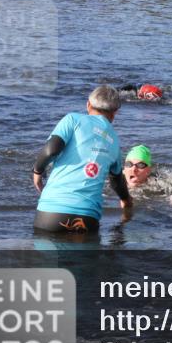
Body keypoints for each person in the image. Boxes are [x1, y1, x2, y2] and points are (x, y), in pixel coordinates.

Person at [32, 85, 132, 233]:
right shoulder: (115, 141)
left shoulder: (72, 120)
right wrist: (126, 200)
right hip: (87, 218)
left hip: (51, 214)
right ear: (115, 112)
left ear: (88, 104)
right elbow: (117, 180)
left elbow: (50, 150)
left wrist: (37, 172)